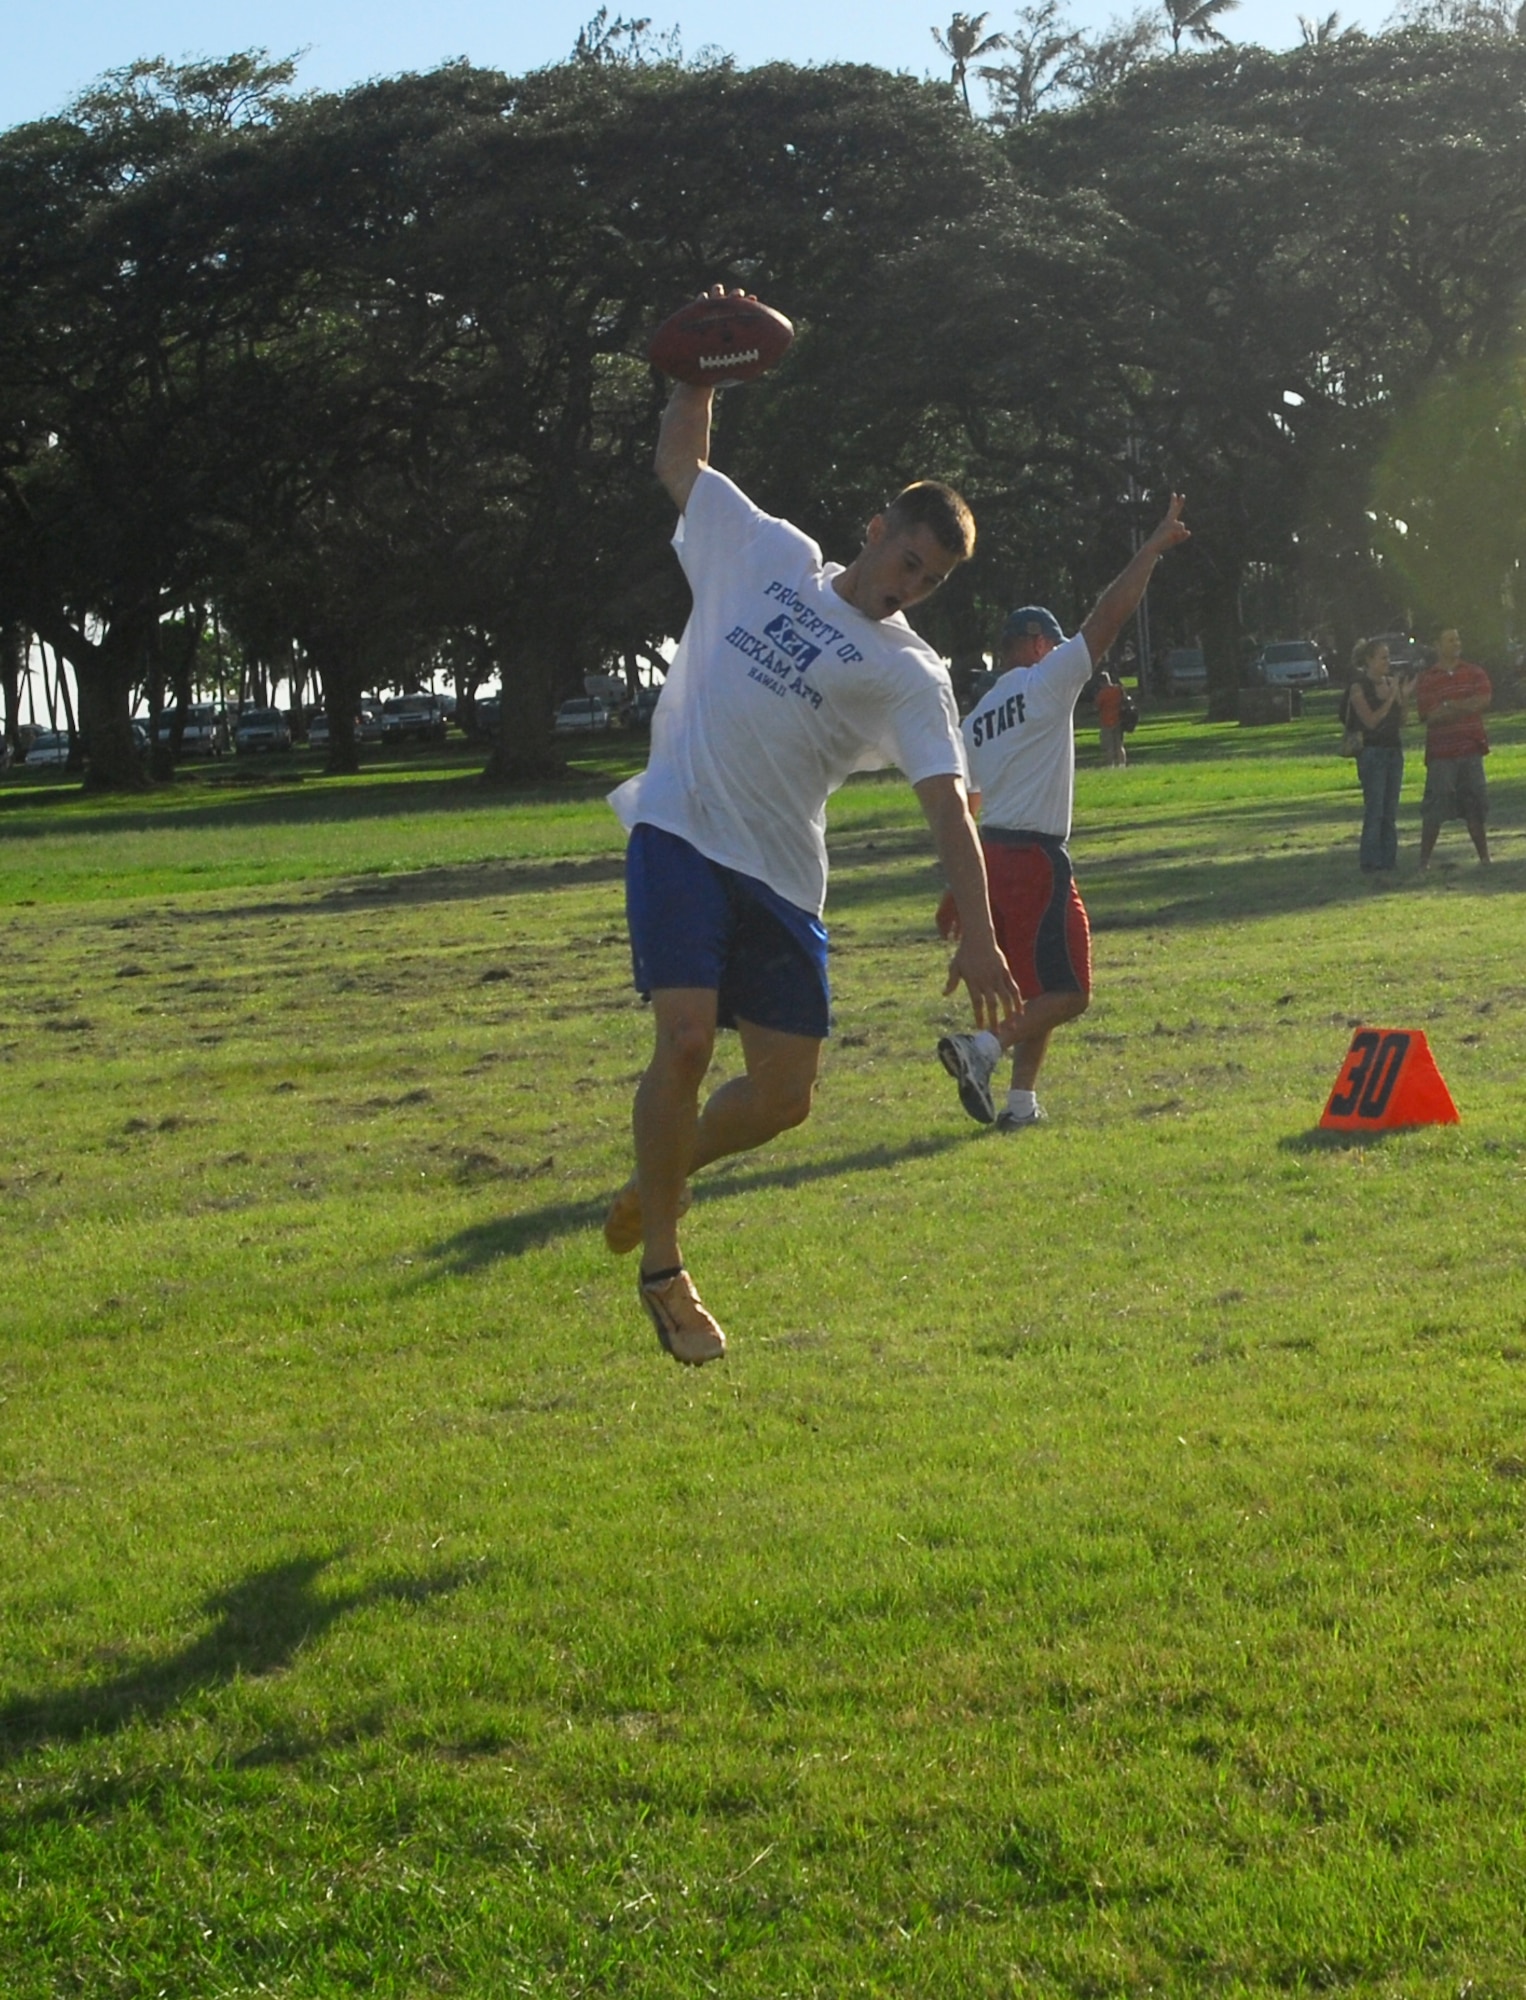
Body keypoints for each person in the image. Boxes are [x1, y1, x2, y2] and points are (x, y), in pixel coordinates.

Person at [603, 340, 1020, 1366]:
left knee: (784, 1096)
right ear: (873, 529)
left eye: (926, 579)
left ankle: (660, 1170)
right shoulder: (769, 552)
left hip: (779, 873)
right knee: (688, 1038)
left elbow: (947, 805)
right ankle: (664, 1266)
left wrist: (977, 929)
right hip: (678, 827)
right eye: (902, 558)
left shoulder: (908, 676)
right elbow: (680, 469)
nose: (905, 585)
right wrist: (694, 377)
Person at [935, 497, 1190, 1131]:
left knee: (1035, 988)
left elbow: (963, 805)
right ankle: (982, 1049)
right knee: (1072, 990)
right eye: (1053, 642)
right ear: (1039, 644)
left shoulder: (975, 716)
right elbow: (1107, 618)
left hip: (989, 855)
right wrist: (1150, 551)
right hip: (1032, 856)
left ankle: (1021, 1103)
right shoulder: (1046, 682)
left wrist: (961, 892)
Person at [1415, 627, 1491, 868]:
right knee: (1435, 806)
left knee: (1475, 805)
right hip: (1442, 754)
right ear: (1437, 645)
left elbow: (1482, 701)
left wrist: (1448, 703)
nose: (1456, 643)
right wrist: (1464, 705)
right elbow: (1430, 715)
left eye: (1458, 638)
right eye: (1450, 640)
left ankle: (1484, 858)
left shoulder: (1474, 672)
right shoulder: (1428, 678)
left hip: (1471, 749)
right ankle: (1424, 861)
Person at [1346, 635, 1409, 875]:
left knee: (1390, 810)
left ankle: (1388, 859)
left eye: (1388, 657)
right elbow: (1370, 721)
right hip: (1372, 754)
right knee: (1375, 809)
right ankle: (1370, 861)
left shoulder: (1390, 683)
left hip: (1394, 751)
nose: (1387, 662)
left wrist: (1404, 696)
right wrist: (1392, 696)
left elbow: (1402, 720)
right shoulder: (1358, 687)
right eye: (1383, 657)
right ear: (1369, 660)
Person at [1094, 669, 1127, 767]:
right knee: (1119, 744)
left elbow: (1097, 706)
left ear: (1101, 682)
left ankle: (1110, 764)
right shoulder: (1118, 689)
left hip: (1106, 721)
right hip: (1119, 719)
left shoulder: (1102, 693)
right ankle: (1122, 764)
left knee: (1109, 746)